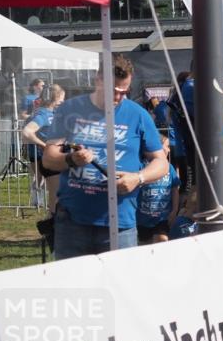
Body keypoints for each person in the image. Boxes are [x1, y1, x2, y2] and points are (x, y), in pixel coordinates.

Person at [42, 55, 168, 259]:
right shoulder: (70, 109)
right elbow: (48, 159)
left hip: (120, 223)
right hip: (72, 221)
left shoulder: (138, 115)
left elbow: (161, 162)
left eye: (124, 92)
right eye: (113, 91)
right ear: (98, 80)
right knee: (73, 279)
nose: (118, 97)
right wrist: (71, 159)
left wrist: (138, 178)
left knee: (119, 279)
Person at [22, 83, 65, 215]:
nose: (63, 101)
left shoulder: (54, 113)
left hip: (57, 158)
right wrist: (44, 145)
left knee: (57, 196)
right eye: (61, 99)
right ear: (55, 97)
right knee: (56, 197)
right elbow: (27, 132)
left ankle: (52, 222)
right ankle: (51, 224)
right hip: (48, 159)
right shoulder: (43, 114)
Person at [136, 134, 180, 244]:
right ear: (157, 148)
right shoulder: (141, 167)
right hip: (142, 218)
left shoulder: (169, 167)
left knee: (162, 241)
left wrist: (174, 210)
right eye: (167, 146)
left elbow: (174, 189)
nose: (169, 150)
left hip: (163, 218)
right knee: (144, 246)